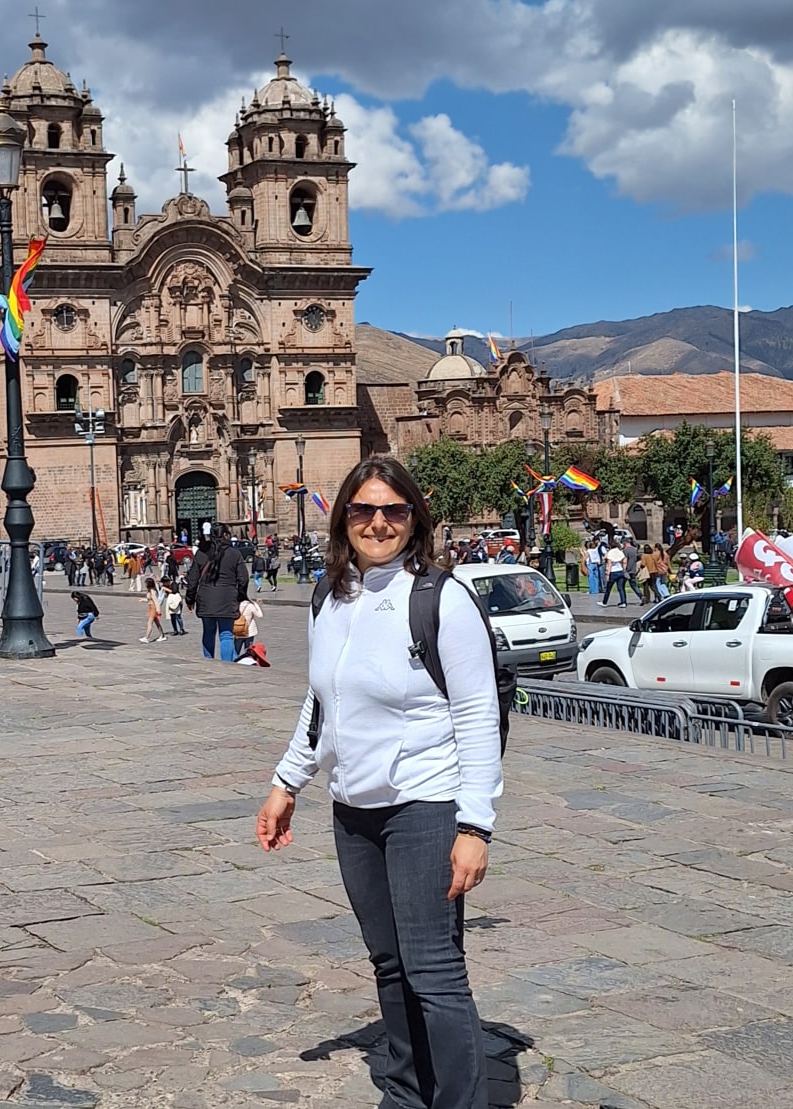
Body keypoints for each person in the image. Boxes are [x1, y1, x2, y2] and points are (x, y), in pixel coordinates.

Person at [256, 456, 501, 1109]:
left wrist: (474, 825)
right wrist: (288, 782)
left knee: (434, 971)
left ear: (414, 517)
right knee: (389, 964)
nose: (378, 522)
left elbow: (479, 714)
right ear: (343, 518)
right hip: (354, 811)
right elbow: (321, 703)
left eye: (393, 510)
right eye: (364, 509)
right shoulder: (330, 596)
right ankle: (406, 1089)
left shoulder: (440, 598)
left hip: (424, 804)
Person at [184, 521, 248, 662]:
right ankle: (227, 665)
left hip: (206, 598)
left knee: (208, 632)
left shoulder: (201, 554)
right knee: (226, 634)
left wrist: (190, 599)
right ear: (225, 535)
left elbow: (192, 579)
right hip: (227, 597)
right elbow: (243, 578)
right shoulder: (234, 554)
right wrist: (240, 596)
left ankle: (209, 662)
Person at [599, 541, 628, 608]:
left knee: (608, 588)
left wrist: (607, 574)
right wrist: (624, 569)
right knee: (621, 588)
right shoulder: (620, 552)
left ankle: (604, 602)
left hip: (613, 572)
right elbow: (624, 560)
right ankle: (623, 602)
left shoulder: (610, 553)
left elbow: (609, 564)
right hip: (620, 571)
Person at [234, 593, 263, 658]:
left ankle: (234, 664)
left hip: (238, 631)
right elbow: (260, 615)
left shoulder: (236, 605)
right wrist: (256, 604)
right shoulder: (250, 606)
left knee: (235, 652)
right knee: (248, 651)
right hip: (249, 632)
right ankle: (247, 664)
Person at [139, 576, 168, 643]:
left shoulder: (152, 591)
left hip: (153, 608)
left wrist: (158, 610)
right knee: (157, 622)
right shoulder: (151, 590)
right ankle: (162, 635)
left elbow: (156, 601)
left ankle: (147, 637)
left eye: (146, 583)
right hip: (151, 607)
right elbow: (149, 599)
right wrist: (143, 600)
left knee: (149, 623)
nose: (145, 584)